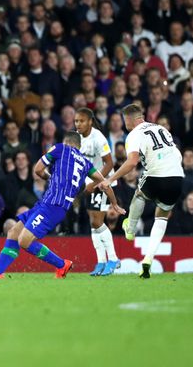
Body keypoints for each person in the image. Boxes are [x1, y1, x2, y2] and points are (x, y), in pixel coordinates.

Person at [0, 132, 125, 279]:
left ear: (66, 141)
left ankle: (62, 264)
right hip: (51, 205)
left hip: (53, 205)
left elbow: (37, 170)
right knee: (13, 233)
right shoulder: (86, 163)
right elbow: (104, 183)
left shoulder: (60, 148)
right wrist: (114, 203)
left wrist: (50, 177)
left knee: (24, 240)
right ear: (79, 146)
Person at [98, 104, 184, 279]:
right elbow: (178, 154)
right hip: (177, 177)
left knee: (139, 193)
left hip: (156, 174)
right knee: (162, 216)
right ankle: (148, 260)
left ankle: (130, 228)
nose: (124, 124)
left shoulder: (134, 134)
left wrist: (110, 179)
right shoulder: (161, 128)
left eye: (124, 121)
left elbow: (132, 162)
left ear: (129, 119)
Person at [75, 108, 119, 276]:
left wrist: (95, 183)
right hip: (89, 184)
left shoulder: (98, 138)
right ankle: (101, 262)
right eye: (76, 121)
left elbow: (109, 164)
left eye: (82, 121)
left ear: (90, 122)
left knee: (97, 222)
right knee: (93, 223)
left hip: (102, 183)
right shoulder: (77, 138)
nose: (78, 124)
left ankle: (113, 259)